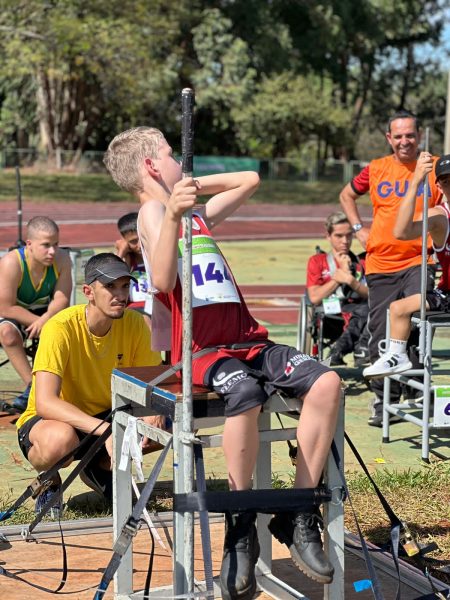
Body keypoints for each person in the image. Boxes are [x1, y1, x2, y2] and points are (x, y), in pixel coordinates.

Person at [104, 126, 341, 597]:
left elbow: (249, 179)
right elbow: (165, 276)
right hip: (200, 349)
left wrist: (189, 190)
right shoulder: (153, 212)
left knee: (328, 382)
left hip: (246, 339)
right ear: (152, 166)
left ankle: (298, 511)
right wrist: (171, 209)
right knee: (245, 392)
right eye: (173, 156)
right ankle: (240, 522)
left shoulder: (190, 211)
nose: (181, 164)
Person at [16, 252, 163, 517]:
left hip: (107, 416)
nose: (119, 294)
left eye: (124, 286)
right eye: (110, 287)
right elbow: (45, 402)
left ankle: (99, 468)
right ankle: (50, 479)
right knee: (60, 442)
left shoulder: (137, 324)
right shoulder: (60, 327)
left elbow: (152, 384)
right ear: (88, 291)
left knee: (170, 423)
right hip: (55, 420)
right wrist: (108, 430)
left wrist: (154, 413)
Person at [339, 110, 443, 427]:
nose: (404, 141)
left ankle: (416, 391)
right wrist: (358, 227)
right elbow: (346, 194)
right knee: (380, 337)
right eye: (398, 136)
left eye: (410, 135)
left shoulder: (434, 167)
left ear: (419, 134)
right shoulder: (376, 169)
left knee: (415, 324)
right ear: (389, 138)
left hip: (419, 259)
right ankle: (385, 400)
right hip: (381, 262)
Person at [364, 152, 450, 378]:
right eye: (446, 181)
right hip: (448, 294)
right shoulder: (440, 217)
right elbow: (401, 231)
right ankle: (396, 356)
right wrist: (415, 182)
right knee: (398, 308)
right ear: (439, 187)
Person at [0, 216, 72, 413]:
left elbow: (62, 299)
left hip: (43, 313)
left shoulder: (62, 259)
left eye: (56, 244)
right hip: (14, 310)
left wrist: (45, 321)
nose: (53, 251)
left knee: (65, 330)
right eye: (46, 245)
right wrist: (40, 322)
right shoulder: (11, 263)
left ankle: (64, 387)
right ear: (29, 244)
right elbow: (6, 308)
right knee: (7, 333)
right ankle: (33, 387)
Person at [306, 211, 369, 366]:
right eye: (339, 236)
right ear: (328, 236)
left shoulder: (363, 261)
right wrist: (337, 277)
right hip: (330, 315)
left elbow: (373, 295)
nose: (345, 241)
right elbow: (314, 297)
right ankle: (348, 350)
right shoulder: (317, 261)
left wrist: (350, 280)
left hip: (360, 310)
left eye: (349, 235)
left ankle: (339, 350)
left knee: (370, 309)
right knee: (364, 312)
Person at [115, 212, 153, 328]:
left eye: (142, 238)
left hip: (157, 305)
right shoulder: (129, 260)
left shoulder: (156, 254)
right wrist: (121, 251)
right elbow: (114, 275)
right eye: (133, 241)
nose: (139, 245)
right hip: (135, 307)